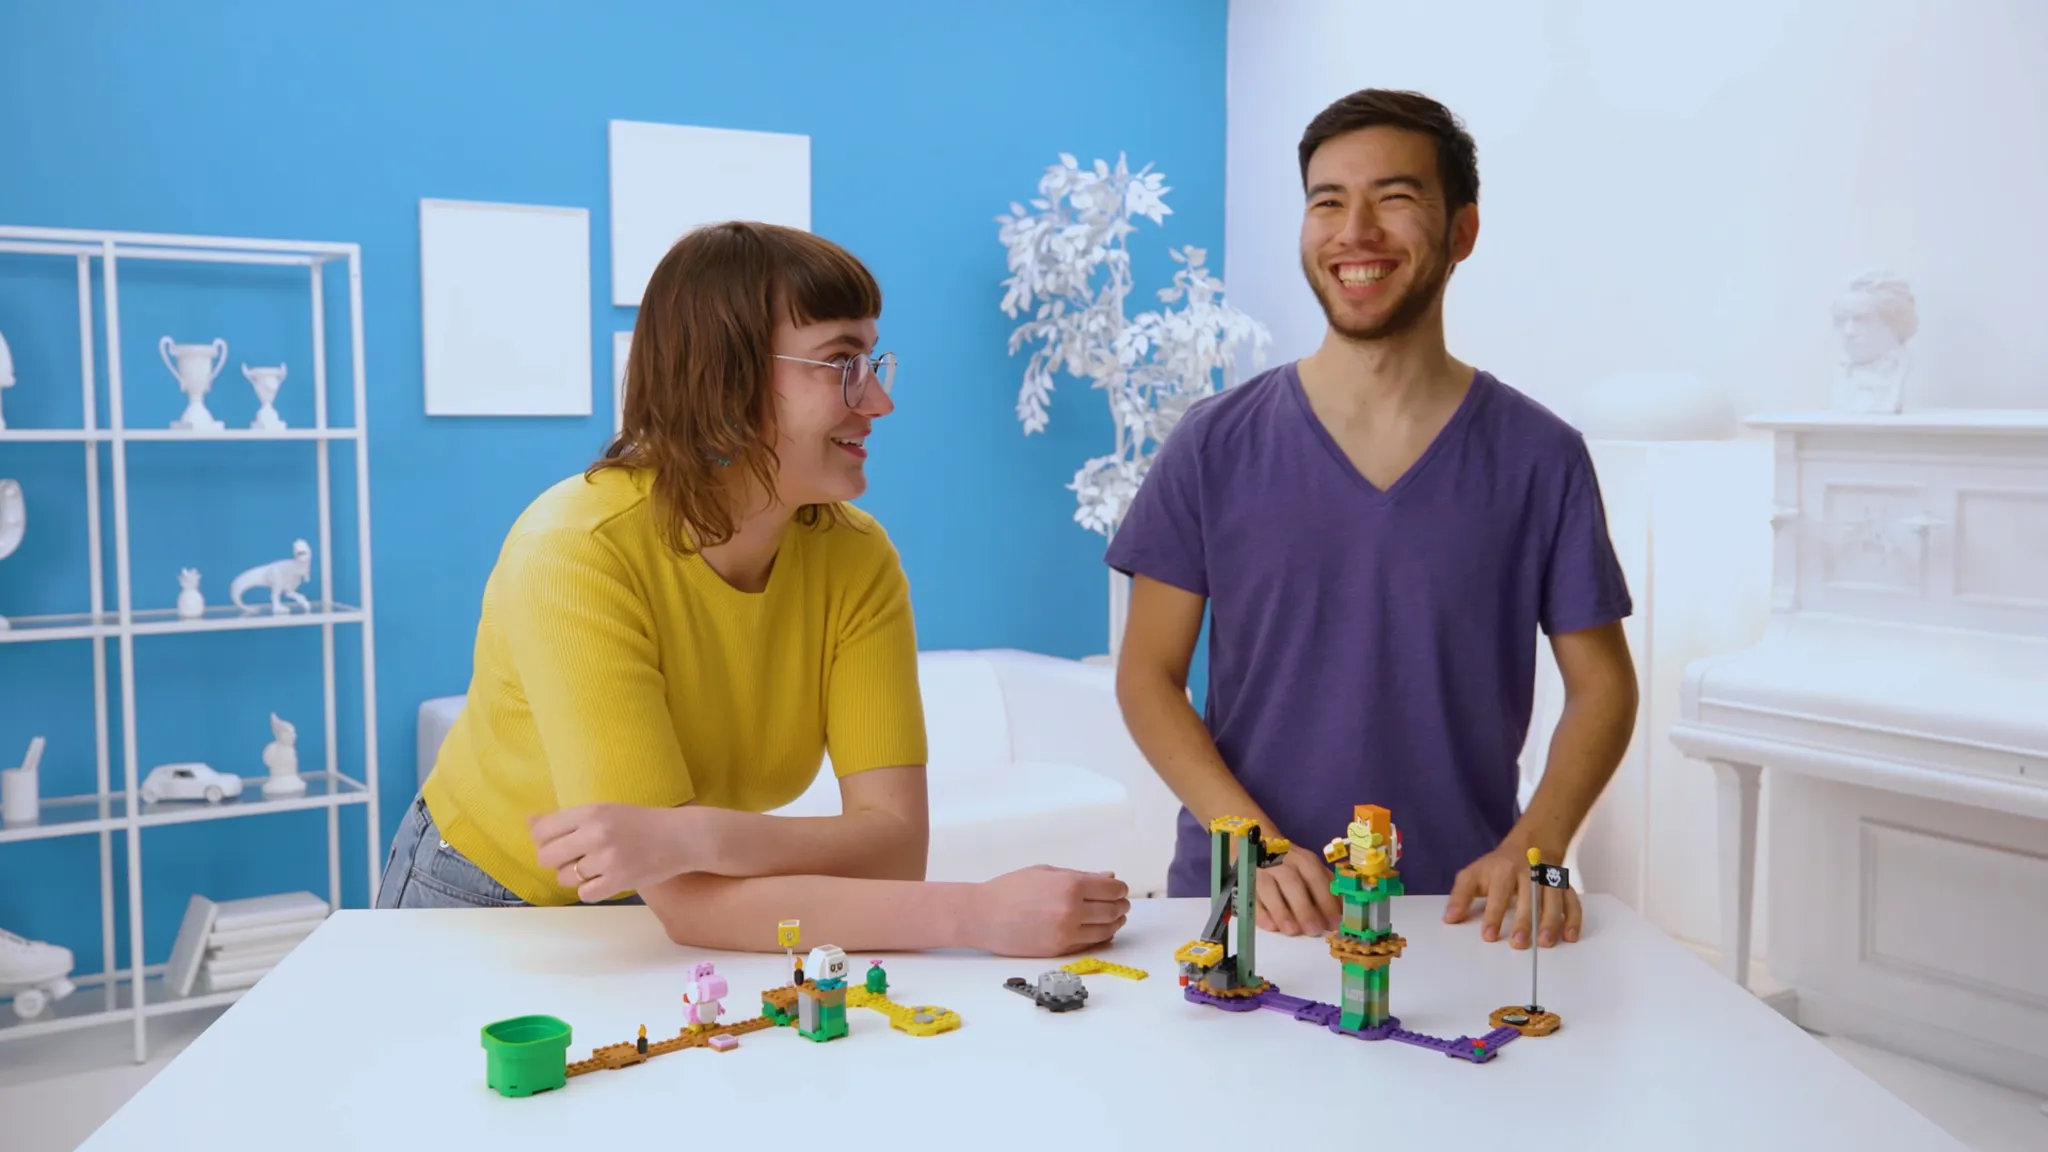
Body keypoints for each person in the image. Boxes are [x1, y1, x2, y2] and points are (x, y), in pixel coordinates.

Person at [376, 221, 1129, 958]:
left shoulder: (855, 559)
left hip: (708, 906)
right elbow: (690, 902)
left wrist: (694, 836)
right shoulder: (576, 552)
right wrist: (974, 914)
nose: (878, 401)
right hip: (492, 902)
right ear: (723, 381)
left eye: (873, 361)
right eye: (840, 363)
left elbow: (896, 850)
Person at [1107, 89, 1638, 953]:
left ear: (1462, 231)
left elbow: (1603, 687)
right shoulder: (1211, 444)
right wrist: (1252, 844)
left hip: (1460, 914)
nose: (1354, 231)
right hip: (1248, 904)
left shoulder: (1543, 457)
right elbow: (1148, 676)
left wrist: (1536, 850)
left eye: (1394, 198)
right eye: (1327, 202)